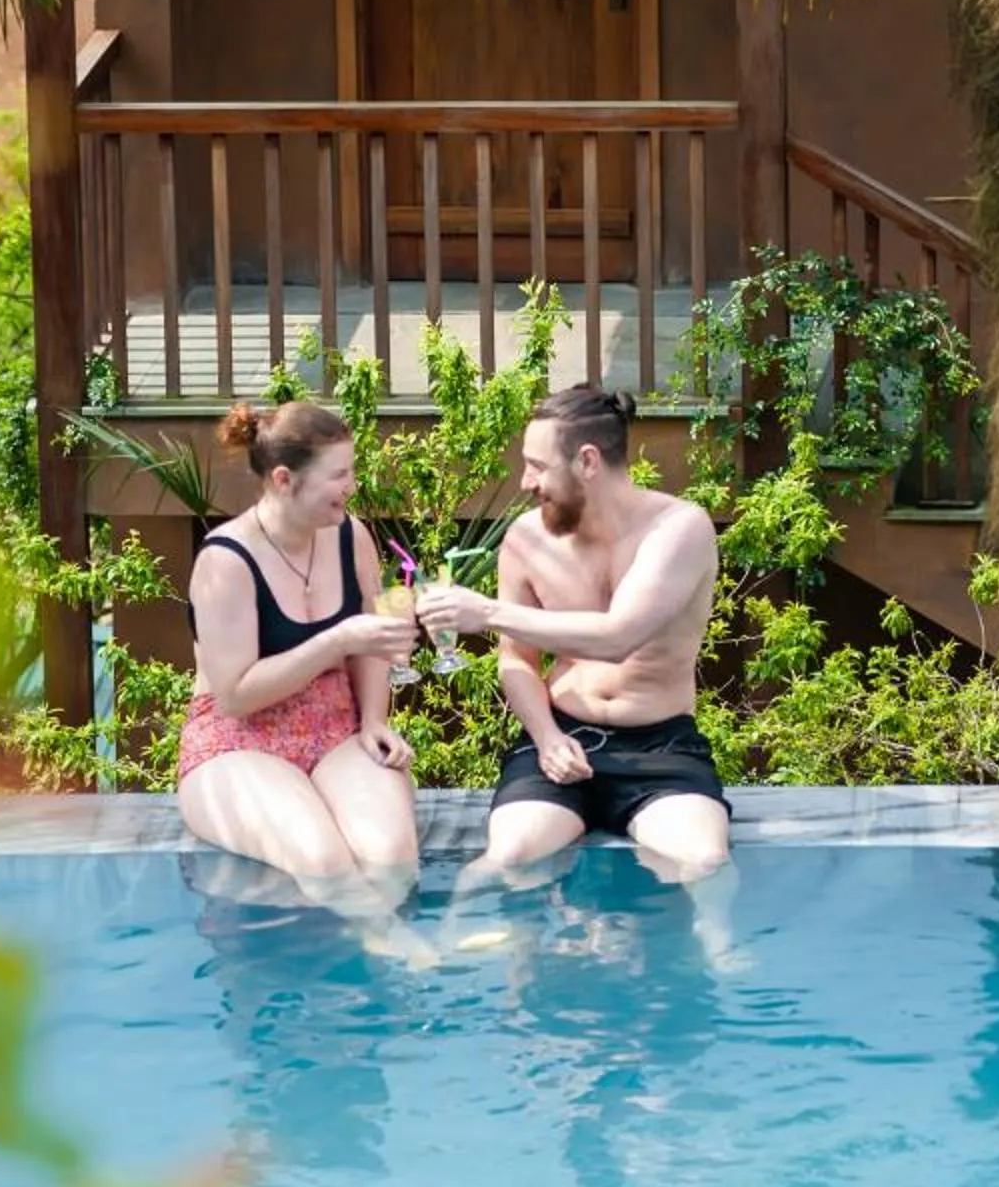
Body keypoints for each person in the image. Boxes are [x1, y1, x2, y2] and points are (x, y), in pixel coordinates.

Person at [415, 384, 731, 901]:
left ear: (587, 461)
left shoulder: (678, 529)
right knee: (506, 858)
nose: (525, 482)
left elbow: (619, 636)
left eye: (537, 466)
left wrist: (487, 612)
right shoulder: (525, 539)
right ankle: (461, 957)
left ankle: (718, 964)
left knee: (705, 861)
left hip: (659, 747)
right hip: (560, 737)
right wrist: (545, 737)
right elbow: (516, 658)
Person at [178, 400, 420, 918]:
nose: (352, 486)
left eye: (351, 470)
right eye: (338, 475)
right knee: (323, 864)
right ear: (285, 480)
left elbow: (374, 639)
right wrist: (334, 642)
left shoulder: (349, 535)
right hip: (239, 741)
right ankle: (402, 953)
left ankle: (377, 958)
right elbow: (236, 695)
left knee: (391, 860)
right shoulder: (226, 560)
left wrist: (375, 718)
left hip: (336, 729)